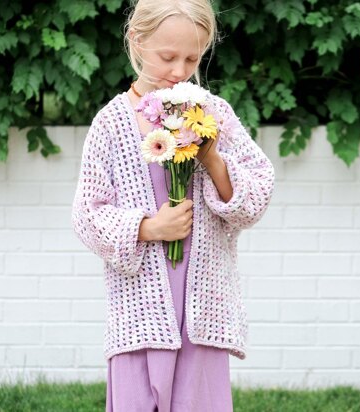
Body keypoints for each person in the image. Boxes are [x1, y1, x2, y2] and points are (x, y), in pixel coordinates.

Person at [71, 0, 275, 410]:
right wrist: (148, 228)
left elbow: (258, 191)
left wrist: (213, 159)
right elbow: (87, 214)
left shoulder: (212, 113)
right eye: (167, 57)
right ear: (137, 41)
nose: (180, 71)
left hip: (201, 307)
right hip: (140, 308)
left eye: (192, 58)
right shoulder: (110, 124)